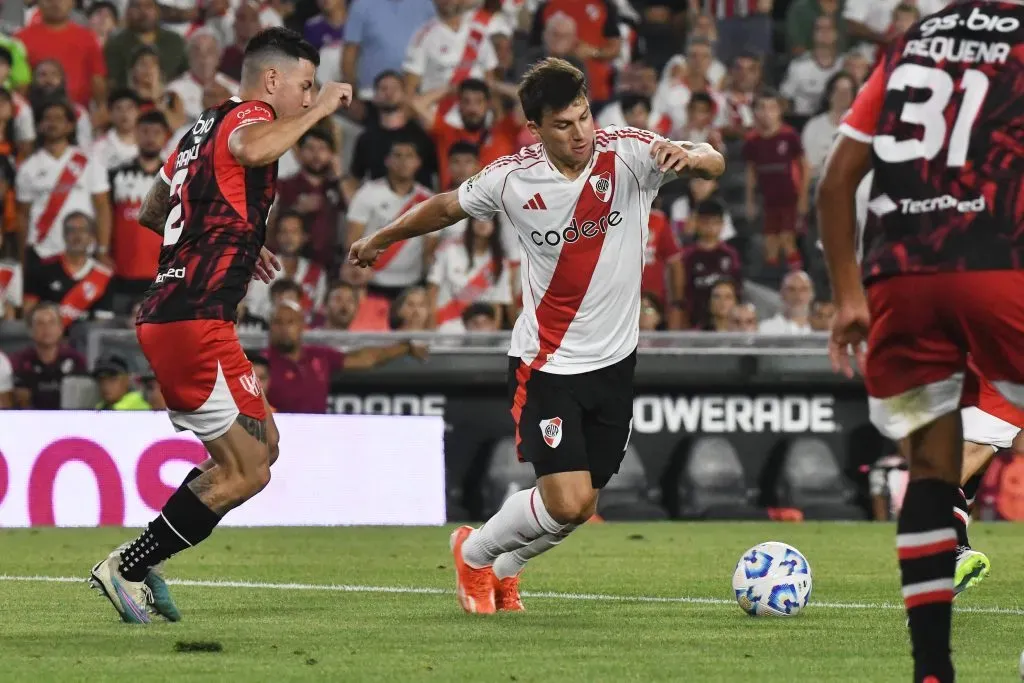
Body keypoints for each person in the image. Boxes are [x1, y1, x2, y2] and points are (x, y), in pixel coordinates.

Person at [348, 57, 723, 614]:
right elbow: (447, 206)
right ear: (536, 129)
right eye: (564, 125)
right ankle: (473, 554)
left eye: (584, 117)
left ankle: (505, 568)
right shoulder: (513, 177)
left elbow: (714, 162)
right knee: (567, 500)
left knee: (581, 504)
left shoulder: (631, 153)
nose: (580, 133)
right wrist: (384, 236)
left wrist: (690, 157)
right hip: (547, 363)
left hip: (616, 362)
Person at [87, 27, 354, 626]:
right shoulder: (250, 119)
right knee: (247, 470)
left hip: (194, 315)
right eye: (305, 86)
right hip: (190, 319)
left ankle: (148, 553)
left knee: (266, 451)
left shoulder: (199, 129)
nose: (310, 98)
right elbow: (256, 150)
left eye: (316, 91)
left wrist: (232, 240)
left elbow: (156, 210)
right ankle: (129, 565)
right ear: (271, 80)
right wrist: (327, 108)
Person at [817, 4, 1024, 680]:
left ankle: (931, 670)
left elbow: (835, 180)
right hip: (997, 263)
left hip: (899, 278)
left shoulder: (910, 43)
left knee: (929, 472)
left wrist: (848, 296)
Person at [265, 299, 428, 413]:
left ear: (302, 326)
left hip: (317, 435)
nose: (284, 328)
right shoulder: (260, 363)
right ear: (270, 327)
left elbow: (366, 358)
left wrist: (405, 347)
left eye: (290, 322)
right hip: (279, 438)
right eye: (278, 322)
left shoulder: (318, 355)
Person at [15, 99, 111, 272]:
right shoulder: (27, 168)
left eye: (59, 119)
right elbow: (23, 216)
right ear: (39, 125)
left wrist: (102, 250)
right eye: (47, 118)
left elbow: (102, 208)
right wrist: (22, 258)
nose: (52, 123)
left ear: (70, 126)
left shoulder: (89, 162)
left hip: (82, 254)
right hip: (41, 253)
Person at [346, 138, 433, 300]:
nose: (403, 161)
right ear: (387, 160)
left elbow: (430, 249)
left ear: (418, 162)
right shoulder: (368, 193)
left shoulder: (427, 199)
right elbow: (352, 239)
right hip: (371, 284)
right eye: (397, 156)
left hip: (412, 286)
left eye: (409, 156)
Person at [109, 110, 172, 309]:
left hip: (162, 276)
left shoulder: (178, 178)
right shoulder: (114, 175)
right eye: (145, 131)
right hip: (120, 274)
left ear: (165, 137)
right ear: (135, 134)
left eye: (156, 132)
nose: (150, 138)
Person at [744, 89, 809, 270]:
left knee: (788, 241)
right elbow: (751, 171)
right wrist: (750, 201)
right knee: (770, 246)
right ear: (755, 112)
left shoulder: (789, 136)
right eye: (762, 108)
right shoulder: (752, 140)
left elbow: (805, 167)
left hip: (790, 198)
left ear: (779, 111)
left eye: (772, 108)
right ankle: (773, 281)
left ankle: (796, 277)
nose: (767, 113)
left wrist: (803, 200)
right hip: (768, 200)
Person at [23, 212, 115, 327]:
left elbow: (102, 323)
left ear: (92, 237)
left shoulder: (104, 277)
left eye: (83, 230)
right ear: (64, 235)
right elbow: (28, 313)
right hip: (47, 339)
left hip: (86, 342)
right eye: (71, 230)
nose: (77, 236)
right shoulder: (42, 268)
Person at [17, 0, 108, 112]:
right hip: (33, 114)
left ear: (73, 3)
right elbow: (19, 84)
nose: (56, 3)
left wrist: (102, 109)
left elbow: (97, 79)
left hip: (77, 115)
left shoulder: (87, 38)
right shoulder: (21, 39)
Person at [273, 129, 344, 269]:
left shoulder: (337, 186)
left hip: (326, 263)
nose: (316, 155)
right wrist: (295, 209)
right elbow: (270, 223)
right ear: (299, 152)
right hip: (287, 262)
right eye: (310, 148)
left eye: (322, 149)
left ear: (331, 154)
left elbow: (354, 207)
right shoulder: (284, 185)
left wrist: (339, 176)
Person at [428, 217, 512, 331]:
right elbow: (433, 290)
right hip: (446, 323)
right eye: (478, 218)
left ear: (496, 225)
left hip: (482, 327)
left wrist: (493, 336)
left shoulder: (500, 261)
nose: (483, 223)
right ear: (470, 221)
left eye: (489, 219)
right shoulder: (449, 248)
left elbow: (497, 304)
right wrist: (431, 326)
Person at [245, 209, 327, 323]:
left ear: (304, 237)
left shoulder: (317, 273)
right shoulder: (263, 267)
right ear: (277, 236)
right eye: (284, 232)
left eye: (294, 232)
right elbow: (253, 308)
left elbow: (318, 313)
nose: (289, 237)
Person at [10, 302, 87, 410]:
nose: (47, 328)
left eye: (52, 323)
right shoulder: (18, 361)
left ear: (61, 329)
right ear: (30, 330)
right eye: (40, 323)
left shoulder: (77, 360)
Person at [681, 199, 742, 331]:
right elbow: (681, 292)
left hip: (726, 322)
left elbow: (737, 288)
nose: (710, 227)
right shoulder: (687, 256)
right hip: (695, 322)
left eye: (714, 222)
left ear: (722, 225)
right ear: (697, 223)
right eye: (705, 222)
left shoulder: (730, 255)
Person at [105, 0, 189, 88]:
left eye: (148, 6)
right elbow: (111, 82)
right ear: (128, 11)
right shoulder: (116, 44)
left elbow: (186, 75)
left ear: (157, 10)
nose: (143, 11)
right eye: (137, 6)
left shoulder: (175, 40)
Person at [167, 29, 240, 121]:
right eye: (197, 52)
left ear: (219, 56)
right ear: (189, 57)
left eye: (209, 51)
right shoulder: (174, 90)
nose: (204, 58)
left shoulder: (235, 89)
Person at [92, 89, 142, 172]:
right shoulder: (99, 148)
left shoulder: (150, 143)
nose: (124, 113)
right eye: (119, 108)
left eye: (129, 108)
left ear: (138, 112)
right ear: (110, 114)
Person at [758, 270, 813, 335]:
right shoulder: (764, 329)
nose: (798, 295)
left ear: (811, 294)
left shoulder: (822, 328)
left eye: (803, 289)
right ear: (782, 294)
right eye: (791, 289)